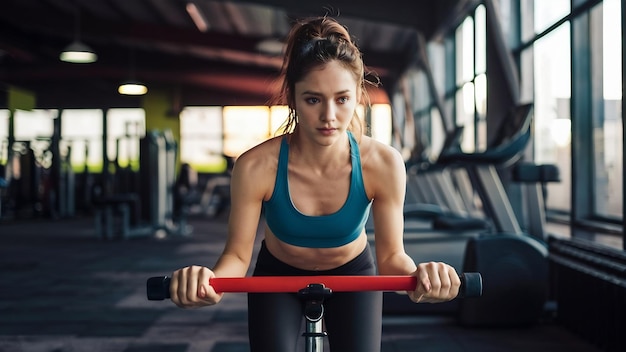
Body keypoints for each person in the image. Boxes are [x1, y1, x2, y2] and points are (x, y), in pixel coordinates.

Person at [169, 15, 461, 351]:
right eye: (313, 99)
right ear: (292, 97)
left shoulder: (383, 163)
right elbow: (235, 256)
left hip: (353, 273)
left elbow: (394, 257)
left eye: (341, 99)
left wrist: (424, 278)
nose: (329, 117)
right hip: (278, 275)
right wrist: (206, 283)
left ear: (357, 95)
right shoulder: (255, 166)